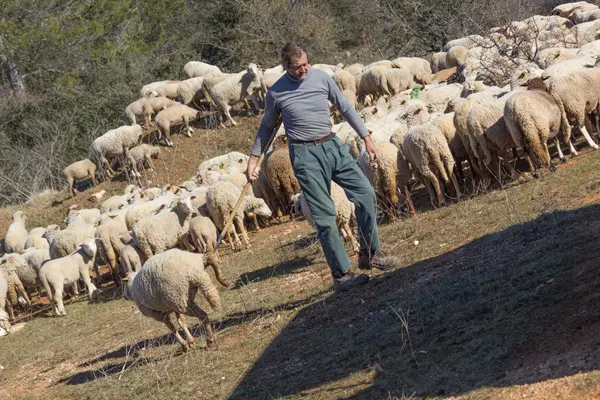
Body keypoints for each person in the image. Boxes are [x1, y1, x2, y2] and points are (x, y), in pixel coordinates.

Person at [247, 42, 391, 292]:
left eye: (305, 64)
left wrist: (366, 138)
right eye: (297, 67)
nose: (303, 70)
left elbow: (345, 108)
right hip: (304, 154)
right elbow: (266, 127)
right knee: (325, 216)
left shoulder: (321, 78)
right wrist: (254, 159)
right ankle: (342, 274)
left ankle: (370, 252)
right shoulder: (276, 93)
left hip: (332, 145)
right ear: (286, 67)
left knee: (365, 193)